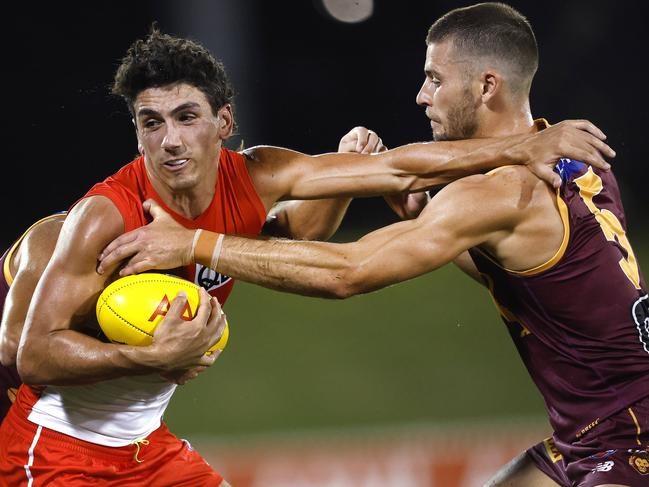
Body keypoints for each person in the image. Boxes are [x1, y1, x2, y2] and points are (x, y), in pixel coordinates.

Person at [1, 24, 613, 487]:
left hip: (145, 445)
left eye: (186, 117)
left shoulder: (257, 175)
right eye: (150, 122)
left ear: (223, 122)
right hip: (56, 449)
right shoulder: (103, 218)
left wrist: (513, 151)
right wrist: (152, 356)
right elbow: (33, 354)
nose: (170, 140)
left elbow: (391, 169)